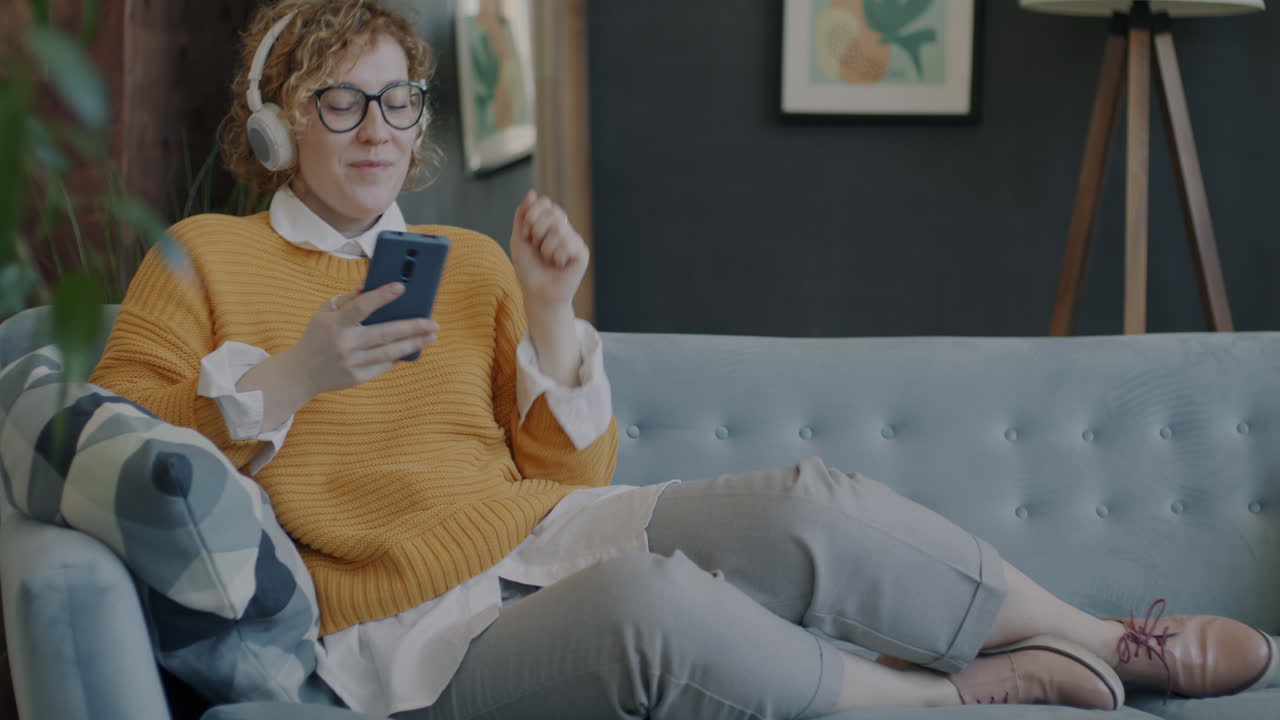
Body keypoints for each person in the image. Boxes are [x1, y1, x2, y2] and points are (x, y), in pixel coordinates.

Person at [89, 1, 1278, 718]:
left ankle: (1101, 633)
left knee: (811, 505)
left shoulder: (462, 258)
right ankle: (949, 696)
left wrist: (552, 313)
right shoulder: (200, 257)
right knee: (652, 608)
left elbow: (570, 462)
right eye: (340, 104)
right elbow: (124, 461)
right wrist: (296, 377)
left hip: (535, 537)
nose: (378, 132)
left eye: (397, 105)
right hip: (387, 634)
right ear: (274, 122)